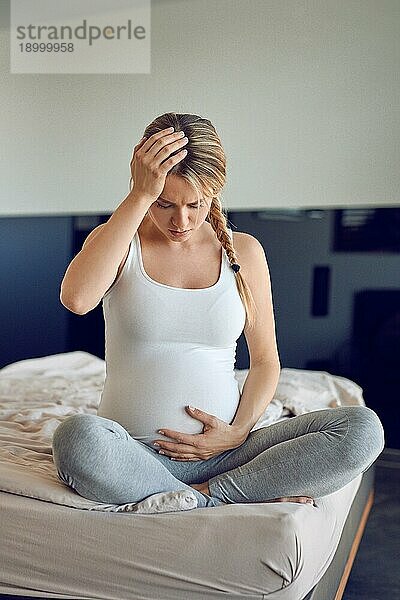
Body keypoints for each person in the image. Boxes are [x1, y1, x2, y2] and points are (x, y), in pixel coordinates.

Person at [52, 112, 385, 512]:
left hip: (229, 451)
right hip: (134, 454)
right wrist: (138, 198)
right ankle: (225, 494)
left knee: (363, 429)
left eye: (196, 203)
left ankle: (202, 497)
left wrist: (237, 431)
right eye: (164, 203)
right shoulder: (120, 242)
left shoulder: (244, 251)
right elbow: (77, 299)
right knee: (76, 437)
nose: (181, 221)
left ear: (216, 191)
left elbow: (265, 361)